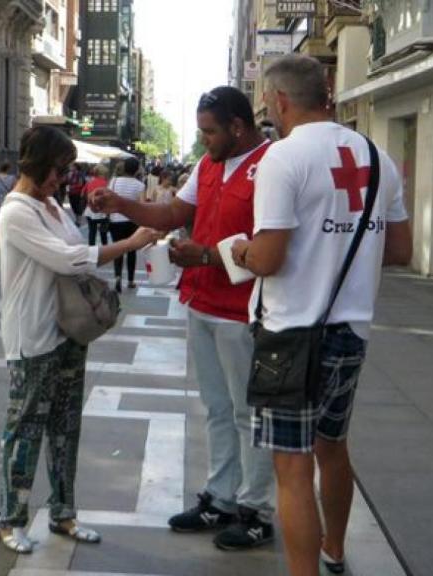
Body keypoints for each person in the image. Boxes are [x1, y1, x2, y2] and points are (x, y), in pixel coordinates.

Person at [229, 54, 412, 576]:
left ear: (280, 100)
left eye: (267, 100)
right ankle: (334, 550)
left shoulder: (283, 160)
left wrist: (240, 251)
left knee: (291, 468)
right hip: (351, 331)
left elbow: (269, 258)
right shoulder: (378, 158)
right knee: (333, 446)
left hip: (290, 335)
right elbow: (399, 251)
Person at [90, 86, 277, 551]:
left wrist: (207, 256)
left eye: (209, 132)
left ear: (238, 126)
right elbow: (175, 212)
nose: (204, 140)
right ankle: (221, 497)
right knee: (216, 408)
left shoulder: (272, 165)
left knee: (247, 413)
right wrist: (122, 205)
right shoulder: (209, 165)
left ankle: (255, 510)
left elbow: (272, 246)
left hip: (244, 309)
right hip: (203, 303)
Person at [0, 126, 156, 554]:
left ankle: (63, 513)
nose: (63, 179)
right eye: (59, 169)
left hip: (67, 332)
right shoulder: (16, 211)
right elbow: (67, 259)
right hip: (32, 337)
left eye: (66, 171)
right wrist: (129, 243)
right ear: (37, 164)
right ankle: (10, 519)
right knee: (25, 430)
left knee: (67, 428)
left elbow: (76, 245)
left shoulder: (52, 205)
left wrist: (109, 209)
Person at [107, 157, 146, 292]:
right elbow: (142, 205)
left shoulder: (114, 181)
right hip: (132, 222)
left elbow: (109, 197)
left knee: (118, 249)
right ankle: (130, 280)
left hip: (115, 220)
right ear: (136, 170)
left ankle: (118, 277)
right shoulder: (139, 185)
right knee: (131, 250)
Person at [83, 164, 111, 246]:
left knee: (92, 232)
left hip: (90, 210)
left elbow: (86, 195)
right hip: (103, 211)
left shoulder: (89, 182)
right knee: (103, 233)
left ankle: (91, 251)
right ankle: (105, 250)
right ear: (103, 173)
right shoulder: (106, 183)